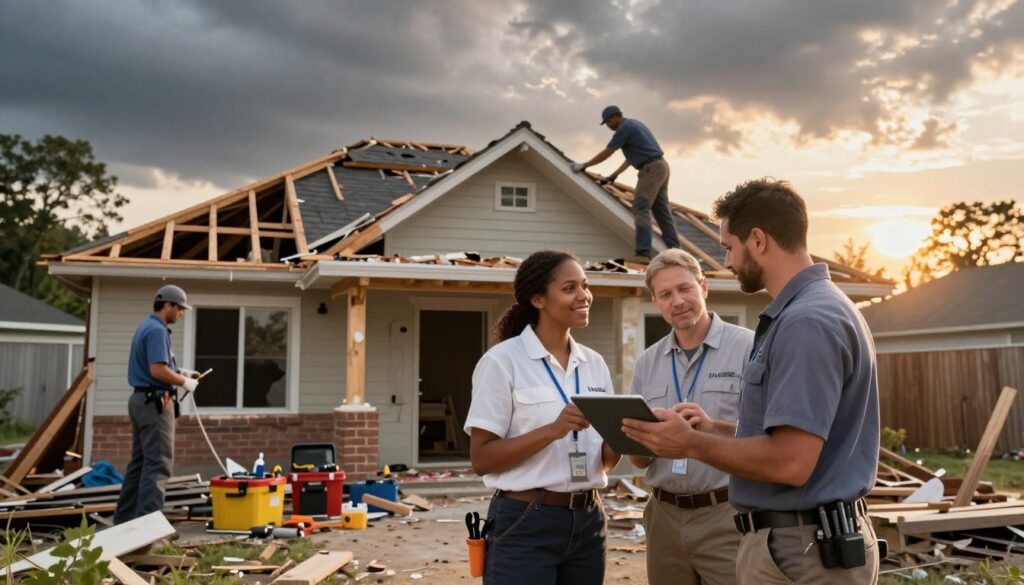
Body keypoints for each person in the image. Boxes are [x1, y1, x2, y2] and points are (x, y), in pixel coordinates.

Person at [622, 179, 881, 584]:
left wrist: (690, 442)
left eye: (728, 247)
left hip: (801, 549)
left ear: (757, 240)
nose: (726, 260)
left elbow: (791, 462)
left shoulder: (807, 322)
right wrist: (715, 429)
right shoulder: (813, 309)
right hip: (803, 541)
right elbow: (788, 436)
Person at [465, 250, 621, 585]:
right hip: (525, 522)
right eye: (569, 288)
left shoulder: (594, 363)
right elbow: (481, 459)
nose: (584, 296)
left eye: (585, 285)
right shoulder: (502, 362)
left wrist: (629, 436)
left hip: (589, 520)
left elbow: (604, 462)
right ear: (538, 299)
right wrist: (552, 430)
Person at [629, 249, 752, 585]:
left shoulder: (749, 349)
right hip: (663, 517)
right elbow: (638, 461)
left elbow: (768, 440)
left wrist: (709, 430)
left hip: (726, 515)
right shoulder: (647, 363)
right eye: (666, 294)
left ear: (704, 287)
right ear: (656, 302)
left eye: (685, 289)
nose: (678, 301)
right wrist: (640, 436)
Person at [113, 285, 201, 524]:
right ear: (168, 305)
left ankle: (125, 521)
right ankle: (149, 528)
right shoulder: (157, 331)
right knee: (158, 463)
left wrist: (182, 372)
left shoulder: (147, 326)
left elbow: (157, 367)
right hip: (154, 403)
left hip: (140, 400)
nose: (181, 314)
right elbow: (157, 369)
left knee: (140, 462)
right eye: (180, 308)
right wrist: (183, 382)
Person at [571, 105, 681, 263]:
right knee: (662, 212)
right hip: (661, 166)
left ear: (616, 117)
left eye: (608, 122)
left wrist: (584, 165)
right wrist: (613, 176)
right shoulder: (635, 124)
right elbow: (631, 158)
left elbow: (608, 151)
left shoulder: (624, 128)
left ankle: (643, 253)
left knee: (640, 207)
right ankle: (676, 253)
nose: (608, 126)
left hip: (650, 169)